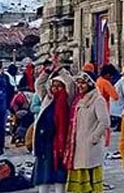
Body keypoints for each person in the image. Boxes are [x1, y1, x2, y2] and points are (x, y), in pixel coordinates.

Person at [33, 63, 75, 193]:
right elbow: (38, 85)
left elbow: (70, 83)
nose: (56, 89)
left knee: (59, 173)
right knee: (43, 171)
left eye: (59, 86)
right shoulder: (47, 98)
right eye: (54, 86)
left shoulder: (68, 99)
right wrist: (47, 72)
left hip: (60, 142)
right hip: (45, 140)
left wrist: (60, 70)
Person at [65, 72, 109, 193]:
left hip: (90, 148)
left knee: (91, 186)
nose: (80, 85)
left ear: (90, 83)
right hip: (78, 147)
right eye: (78, 83)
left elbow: (104, 121)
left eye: (83, 83)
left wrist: (94, 138)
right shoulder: (78, 99)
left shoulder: (97, 99)